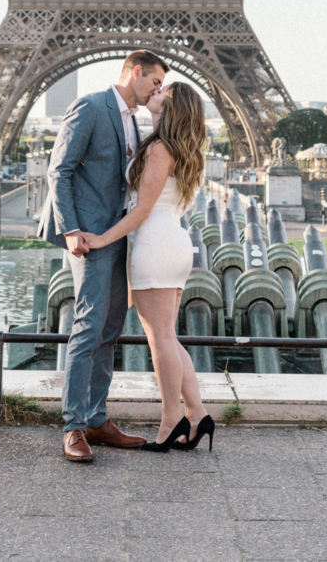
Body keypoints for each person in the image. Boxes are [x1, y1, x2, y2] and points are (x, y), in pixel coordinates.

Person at [40, 49, 167, 463]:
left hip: (116, 235)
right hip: (89, 235)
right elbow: (60, 170)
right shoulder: (91, 106)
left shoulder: (134, 119)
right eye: (154, 81)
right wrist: (72, 228)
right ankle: (73, 426)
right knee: (89, 324)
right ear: (135, 72)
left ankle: (97, 418)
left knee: (110, 326)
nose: (157, 89)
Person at [76, 81, 213, 453]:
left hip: (154, 244)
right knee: (169, 336)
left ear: (169, 106)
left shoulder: (158, 149)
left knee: (160, 339)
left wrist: (102, 239)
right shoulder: (182, 148)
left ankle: (171, 420)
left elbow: (141, 210)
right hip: (174, 242)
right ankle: (198, 414)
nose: (155, 90)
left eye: (161, 90)